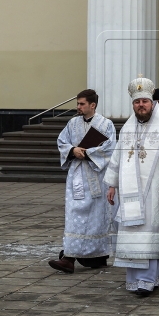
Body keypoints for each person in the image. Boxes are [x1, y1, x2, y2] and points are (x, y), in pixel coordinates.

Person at [104, 76, 159, 297]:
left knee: (149, 235)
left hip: (154, 192)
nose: (141, 105)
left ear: (152, 103)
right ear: (133, 105)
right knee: (132, 235)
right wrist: (112, 185)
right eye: (137, 102)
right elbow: (117, 159)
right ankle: (138, 279)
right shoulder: (127, 129)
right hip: (130, 194)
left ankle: (147, 281)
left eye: (145, 102)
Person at [49, 89, 118, 274]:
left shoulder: (106, 124)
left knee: (96, 218)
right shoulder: (72, 123)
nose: (78, 107)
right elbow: (62, 142)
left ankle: (97, 256)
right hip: (76, 175)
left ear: (92, 105)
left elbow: (111, 148)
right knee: (74, 215)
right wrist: (72, 150)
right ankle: (69, 258)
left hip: (96, 176)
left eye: (82, 104)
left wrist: (87, 153)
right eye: (78, 104)